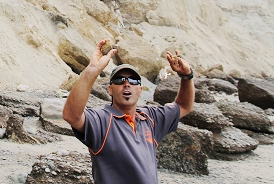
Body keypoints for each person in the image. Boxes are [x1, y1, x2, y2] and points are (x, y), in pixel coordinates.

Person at [62, 39, 195, 184]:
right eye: (119, 80)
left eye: (133, 81)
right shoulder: (102, 121)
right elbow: (71, 115)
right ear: (110, 89)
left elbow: (184, 106)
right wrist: (92, 70)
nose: (126, 84)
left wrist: (187, 76)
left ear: (140, 90)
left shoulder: (151, 118)